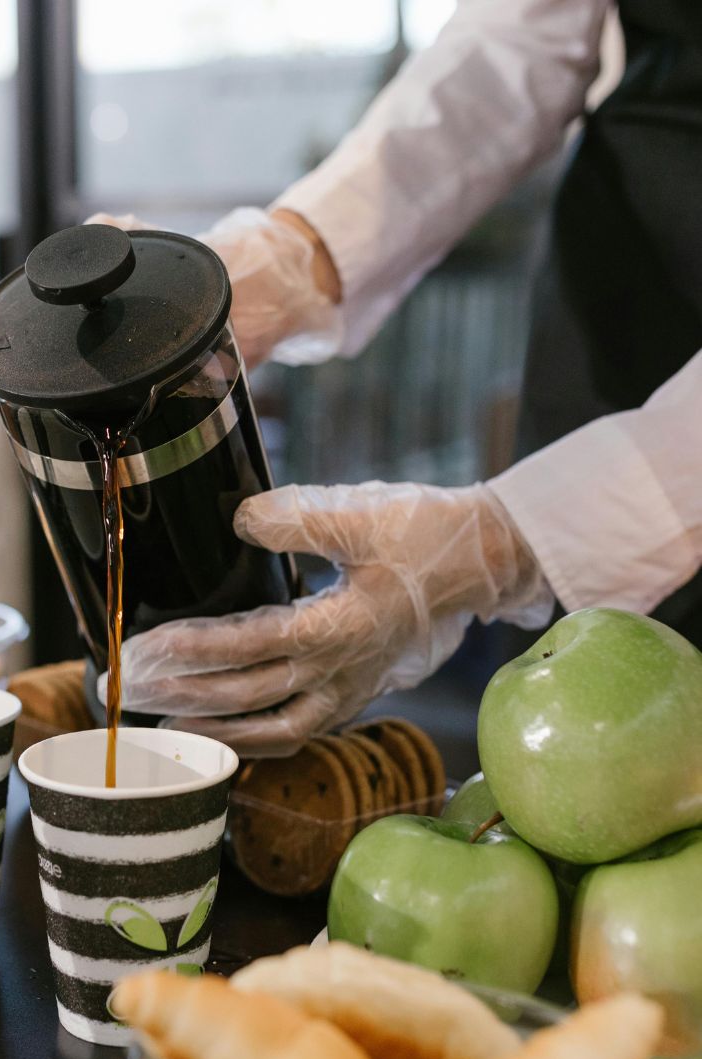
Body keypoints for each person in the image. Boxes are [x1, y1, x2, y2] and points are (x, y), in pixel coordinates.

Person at [93, 0, 702, 758]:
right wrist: (293, 255)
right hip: (628, 280)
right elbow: (521, 34)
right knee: (590, 729)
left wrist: (506, 540)